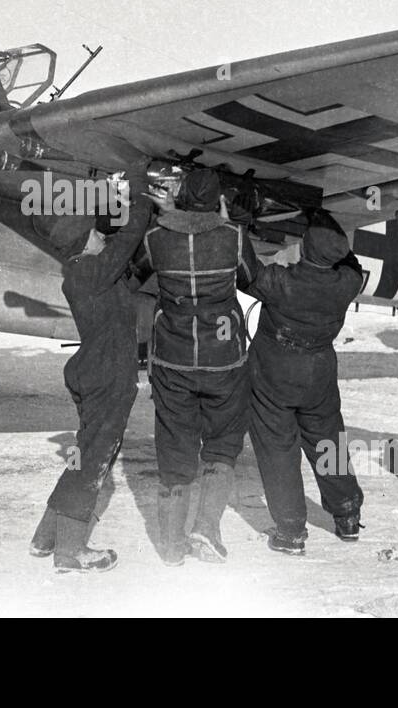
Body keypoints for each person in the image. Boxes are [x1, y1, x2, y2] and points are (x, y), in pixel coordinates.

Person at [29, 167, 152, 573]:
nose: (104, 233)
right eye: (97, 232)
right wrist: (144, 197)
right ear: (83, 240)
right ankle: (70, 553)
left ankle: (46, 538)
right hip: (107, 377)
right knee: (94, 463)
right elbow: (128, 237)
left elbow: (132, 274)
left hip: (93, 372)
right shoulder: (89, 271)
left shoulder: (94, 275)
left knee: (83, 457)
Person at [141, 168, 256, 565]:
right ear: (219, 201)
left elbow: (138, 273)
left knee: (174, 450)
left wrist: (166, 215)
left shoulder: (155, 238)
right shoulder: (233, 238)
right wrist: (226, 224)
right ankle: (206, 528)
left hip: (173, 360)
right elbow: (252, 280)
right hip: (223, 359)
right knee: (222, 445)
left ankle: (171, 548)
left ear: (181, 195)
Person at [241, 208, 365, 555]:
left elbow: (245, 271)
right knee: (328, 443)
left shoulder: (281, 282)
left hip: (274, 375)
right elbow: (351, 264)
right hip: (319, 375)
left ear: (305, 248)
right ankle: (348, 515)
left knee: (278, 450)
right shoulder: (347, 284)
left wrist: (234, 222)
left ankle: (291, 531)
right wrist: (327, 221)